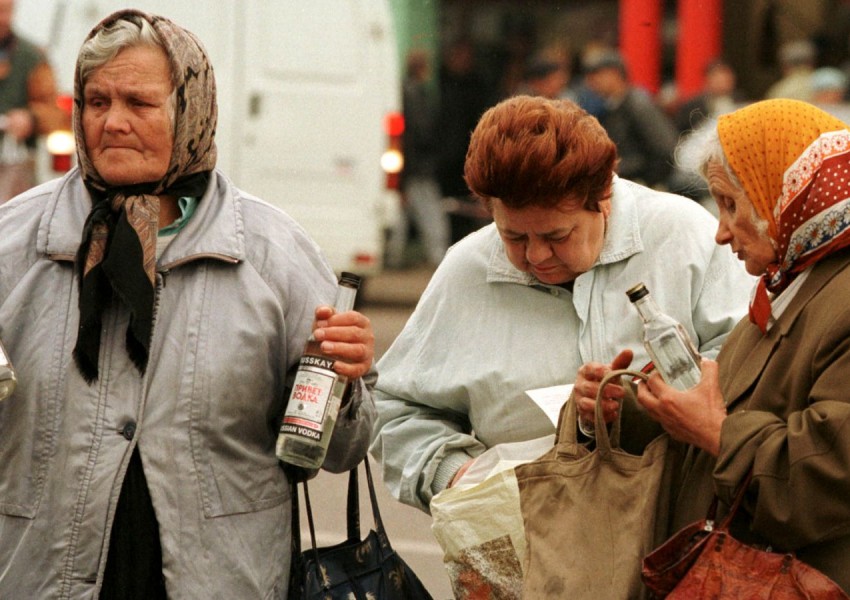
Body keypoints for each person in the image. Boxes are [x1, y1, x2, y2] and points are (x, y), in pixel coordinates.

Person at [0, 10, 376, 598]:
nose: (113, 123)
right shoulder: (15, 242)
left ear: (191, 110)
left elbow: (339, 452)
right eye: (96, 102)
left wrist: (344, 384)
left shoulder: (272, 254)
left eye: (139, 103)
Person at [369, 95, 754, 514]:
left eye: (556, 237)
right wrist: (454, 475)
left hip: (674, 536)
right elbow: (394, 410)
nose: (535, 257)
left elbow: (748, 366)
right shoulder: (467, 267)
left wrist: (638, 401)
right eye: (513, 237)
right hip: (525, 548)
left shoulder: (684, 235)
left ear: (604, 196)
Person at [576, 98, 850, 593]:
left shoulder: (839, 297)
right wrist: (625, 409)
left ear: (784, 195)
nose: (721, 233)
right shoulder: (787, 286)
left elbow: (830, 474)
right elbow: (730, 401)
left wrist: (718, 433)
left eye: (730, 204)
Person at [386, 49, 450, 268]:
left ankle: (391, 259)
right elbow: (420, 134)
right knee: (432, 221)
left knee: (400, 220)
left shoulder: (404, 92)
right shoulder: (416, 95)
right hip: (417, 170)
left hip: (408, 169)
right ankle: (439, 259)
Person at [0, 0, 70, 201]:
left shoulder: (31, 58)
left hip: (11, 174)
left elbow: (56, 112)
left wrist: (30, 119)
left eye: (3, 11)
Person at [582, 49, 678, 189]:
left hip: (643, 185)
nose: (591, 82)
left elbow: (665, 148)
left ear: (614, 74)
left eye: (597, 75)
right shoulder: (613, 104)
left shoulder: (638, 104)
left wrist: (647, 183)